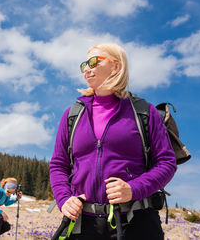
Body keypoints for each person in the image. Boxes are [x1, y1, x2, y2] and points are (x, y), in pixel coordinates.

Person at [49, 43, 177, 239]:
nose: (87, 68)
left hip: (137, 221)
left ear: (116, 66)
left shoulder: (144, 111)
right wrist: (64, 199)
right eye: (84, 64)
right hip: (84, 224)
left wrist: (133, 189)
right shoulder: (72, 114)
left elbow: (167, 163)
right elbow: (58, 165)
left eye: (94, 61)